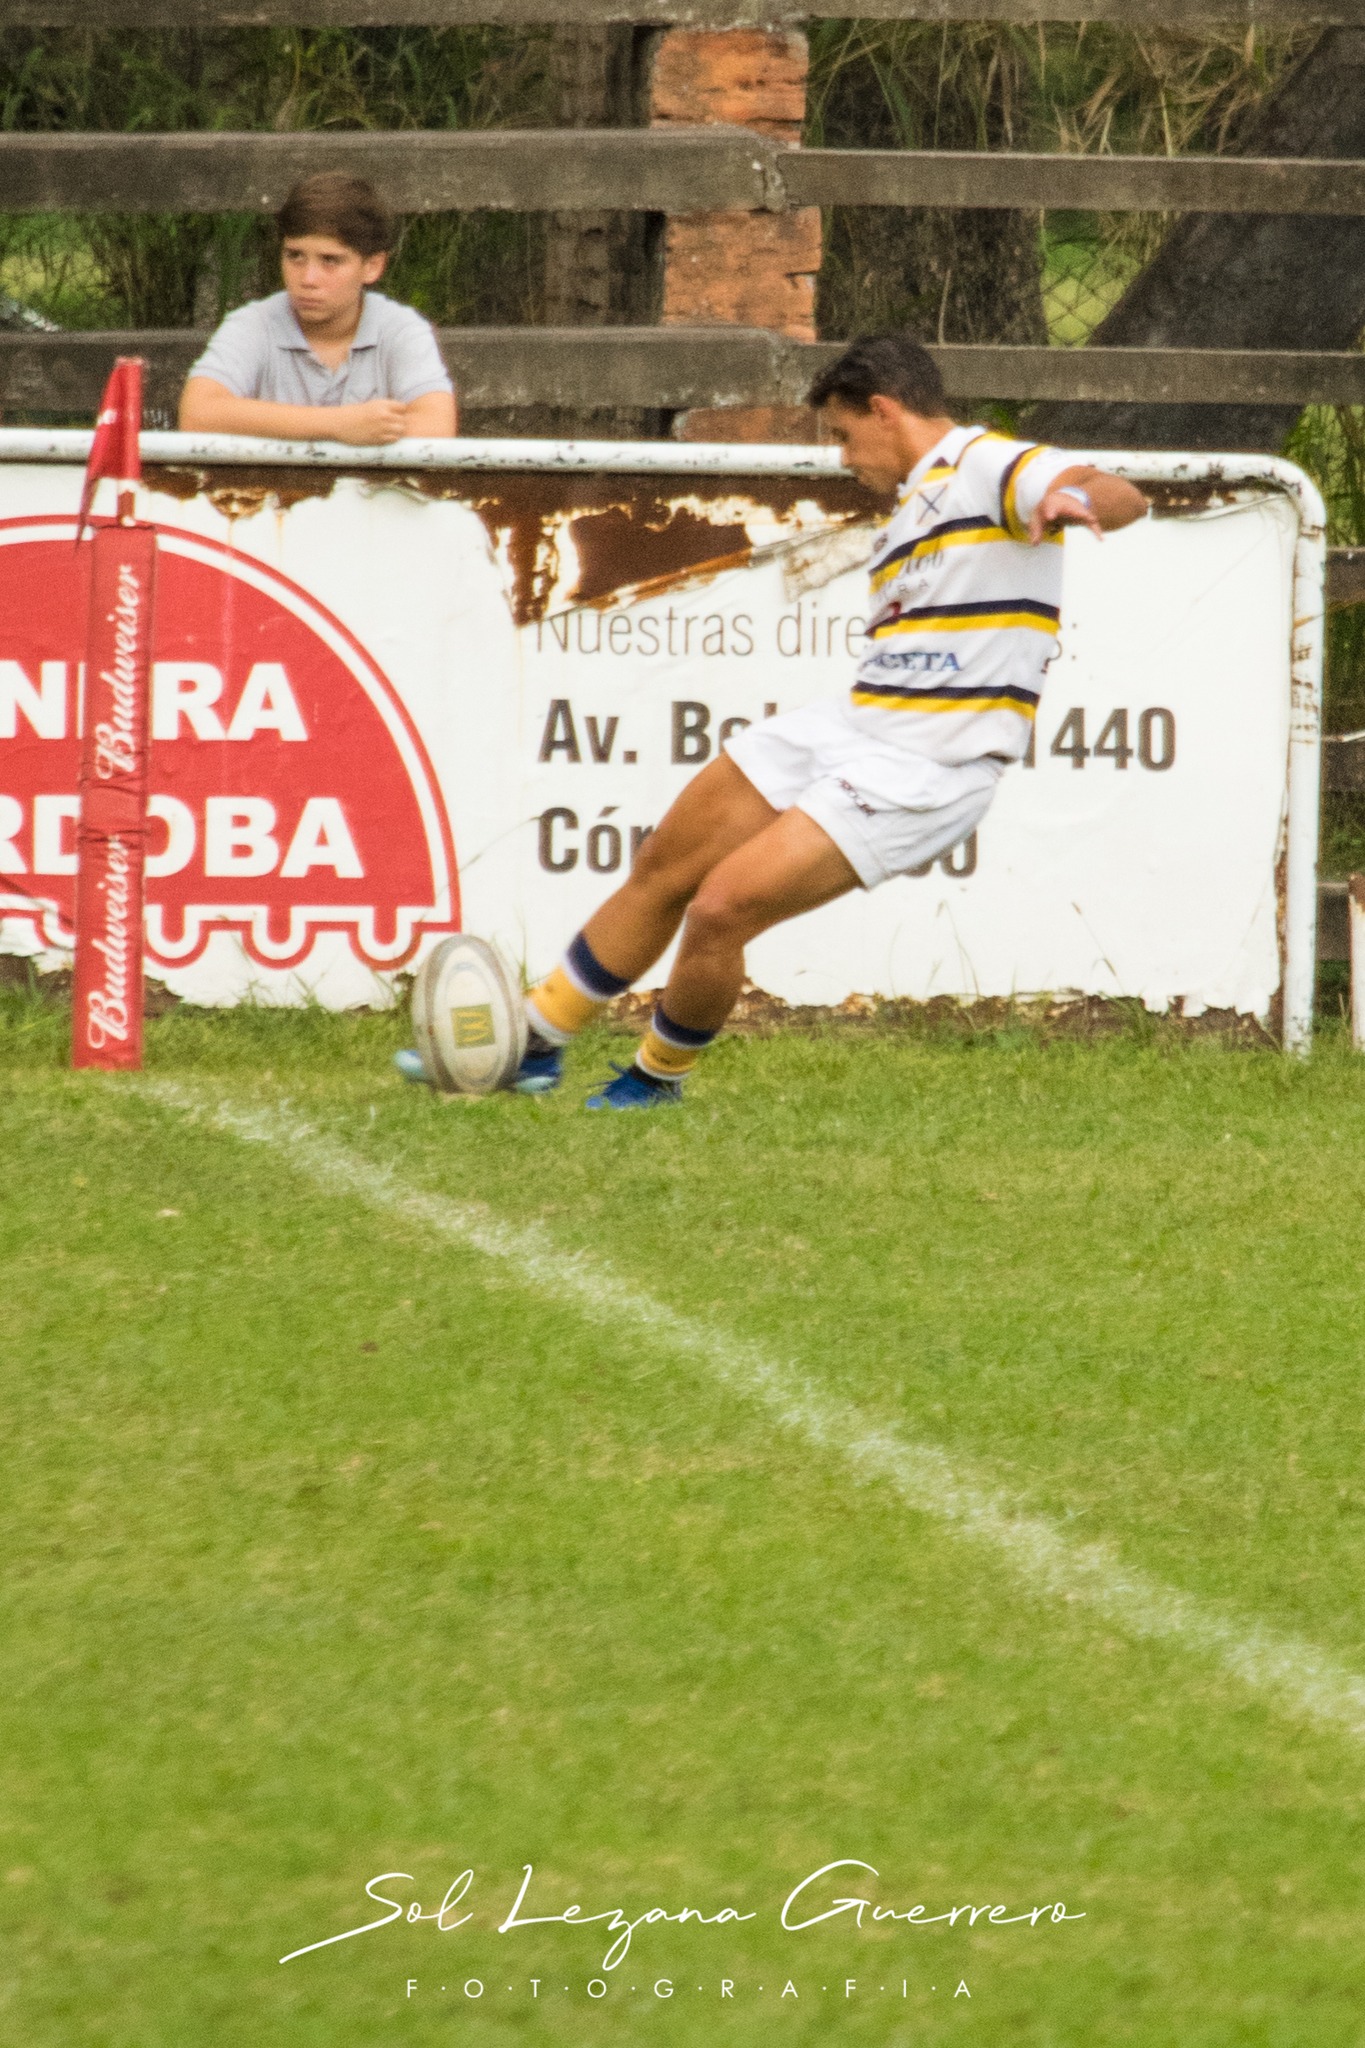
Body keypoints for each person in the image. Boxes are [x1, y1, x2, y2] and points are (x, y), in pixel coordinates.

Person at [399, 331, 1147, 1108]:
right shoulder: (914, 503)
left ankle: (656, 1081)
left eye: (843, 434)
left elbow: (1116, 494)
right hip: (857, 725)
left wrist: (1079, 500)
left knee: (721, 907)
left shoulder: (984, 463)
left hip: (928, 766)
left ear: (884, 411)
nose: (841, 457)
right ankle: (536, 1043)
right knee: (665, 863)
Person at [179, 172, 456, 445]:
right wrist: (339, 425)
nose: (308, 279)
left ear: (372, 266)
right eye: (295, 256)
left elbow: (436, 427)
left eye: (330, 261)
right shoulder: (254, 324)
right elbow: (197, 414)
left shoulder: (401, 328)